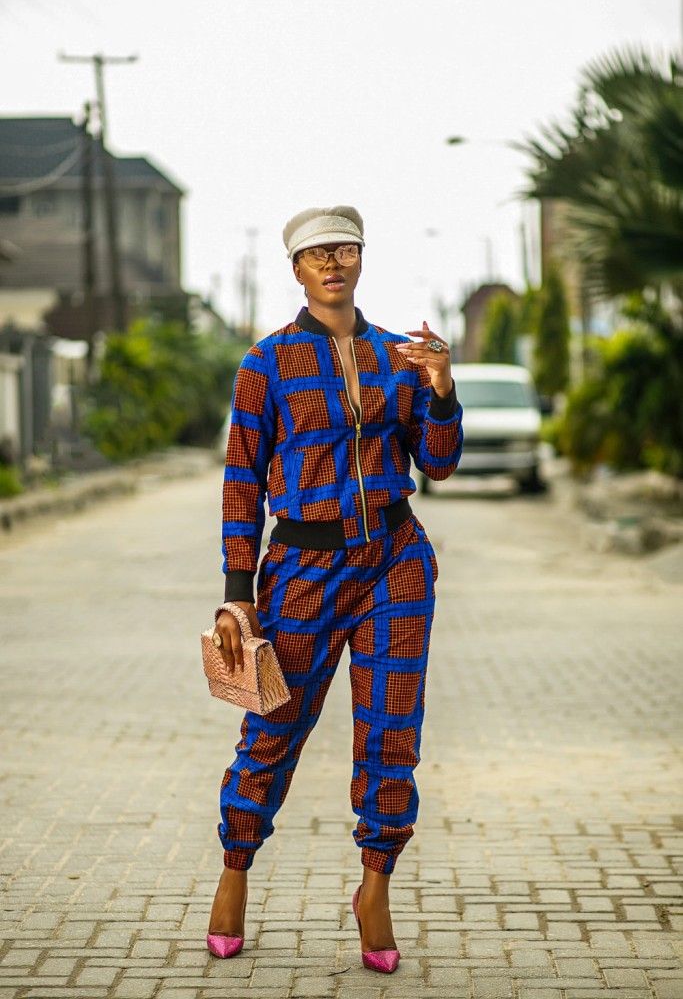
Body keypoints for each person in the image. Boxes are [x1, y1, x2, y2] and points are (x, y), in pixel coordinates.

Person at [207, 205, 463, 973]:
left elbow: (440, 465)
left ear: (359, 261)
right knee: (273, 731)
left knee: (391, 733)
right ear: (296, 268)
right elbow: (241, 480)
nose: (333, 263)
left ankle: (375, 886)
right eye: (318, 253)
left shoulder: (398, 356)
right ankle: (234, 870)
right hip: (302, 574)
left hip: (394, 561)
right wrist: (236, 591)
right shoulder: (267, 363)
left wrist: (442, 389)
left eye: (345, 250)